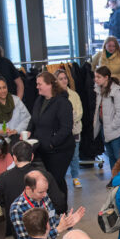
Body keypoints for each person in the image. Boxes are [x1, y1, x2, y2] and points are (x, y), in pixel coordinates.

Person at [28, 71, 74, 200]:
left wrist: (51, 143)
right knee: (52, 180)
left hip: (60, 150)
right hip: (44, 148)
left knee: (56, 180)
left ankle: (61, 210)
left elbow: (66, 129)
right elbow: (33, 119)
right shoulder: (40, 100)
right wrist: (28, 133)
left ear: (49, 85)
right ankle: (56, 207)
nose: (37, 87)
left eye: (39, 84)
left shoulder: (63, 103)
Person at [9, 169, 82, 239]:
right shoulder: (17, 209)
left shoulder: (44, 197)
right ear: (28, 188)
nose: (45, 194)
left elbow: (52, 221)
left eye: (46, 190)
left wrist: (67, 222)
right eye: (40, 192)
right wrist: (58, 230)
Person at [93, 65, 120, 170]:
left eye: (98, 77)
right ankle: (115, 178)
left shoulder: (116, 91)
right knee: (111, 156)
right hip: (105, 128)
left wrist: (113, 126)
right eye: (95, 77)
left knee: (119, 158)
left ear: (106, 77)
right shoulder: (98, 90)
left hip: (116, 130)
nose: (96, 79)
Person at [55, 69, 84, 188]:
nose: (64, 81)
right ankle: (60, 177)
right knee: (61, 155)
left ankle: (75, 177)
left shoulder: (74, 94)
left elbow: (80, 111)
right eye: (61, 79)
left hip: (74, 129)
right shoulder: (54, 96)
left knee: (75, 155)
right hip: (60, 131)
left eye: (65, 78)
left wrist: (71, 118)